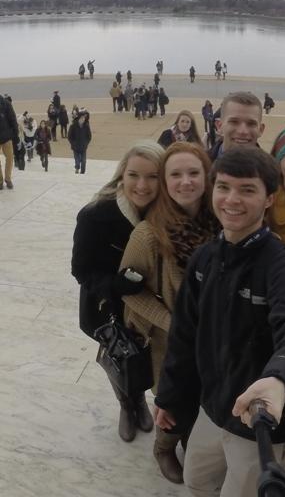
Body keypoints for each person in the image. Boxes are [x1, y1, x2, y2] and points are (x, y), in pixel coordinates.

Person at [153, 147, 285, 497]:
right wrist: (169, 396)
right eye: (224, 187)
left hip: (259, 421)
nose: (232, 199)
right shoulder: (204, 258)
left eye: (247, 189)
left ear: (269, 200)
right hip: (212, 407)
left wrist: (280, 379)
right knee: (197, 481)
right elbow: (184, 335)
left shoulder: (283, 268)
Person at [121, 143, 219, 483]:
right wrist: (173, 323)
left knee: (205, 393)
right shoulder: (148, 235)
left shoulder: (221, 223)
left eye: (194, 173)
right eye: (175, 174)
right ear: (164, 181)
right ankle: (164, 448)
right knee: (173, 397)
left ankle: (191, 437)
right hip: (169, 341)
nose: (185, 182)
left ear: (207, 177)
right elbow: (129, 294)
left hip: (212, 336)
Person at [71, 140, 165, 442]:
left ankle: (138, 397)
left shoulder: (165, 213)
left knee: (142, 356)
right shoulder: (95, 215)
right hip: (107, 306)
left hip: (147, 308)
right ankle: (128, 403)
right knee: (118, 358)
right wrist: (115, 286)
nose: (142, 185)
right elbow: (81, 270)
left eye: (153, 176)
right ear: (121, 174)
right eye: (134, 175)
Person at [210, 91, 265, 160]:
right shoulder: (200, 166)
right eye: (234, 122)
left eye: (251, 124)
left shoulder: (272, 169)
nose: (242, 131)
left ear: (261, 130)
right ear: (219, 126)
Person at [0, 93, 19, 189]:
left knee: (10, 158)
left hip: (6, 136)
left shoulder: (6, 103)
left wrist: (15, 133)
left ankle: (8, 178)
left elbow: (12, 118)